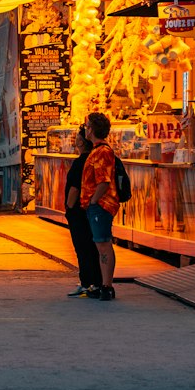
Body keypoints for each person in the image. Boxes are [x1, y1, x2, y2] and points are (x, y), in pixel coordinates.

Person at [80, 112, 119, 300]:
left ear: (92, 129)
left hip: (101, 205)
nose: (84, 129)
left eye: (87, 126)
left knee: (103, 244)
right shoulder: (97, 150)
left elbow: (103, 181)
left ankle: (107, 285)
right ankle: (104, 283)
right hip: (97, 205)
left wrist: (93, 201)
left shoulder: (102, 152)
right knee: (100, 244)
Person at [64, 125, 102, 297]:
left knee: (82, 247)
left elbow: (75, 188)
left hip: (79, 210)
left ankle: (87, 282)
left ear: (81, 141)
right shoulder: (93, 158)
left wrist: (69, 207)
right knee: (92, 246)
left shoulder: (80, 162)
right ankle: (95, 281)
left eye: (78, 136)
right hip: (91, 209)